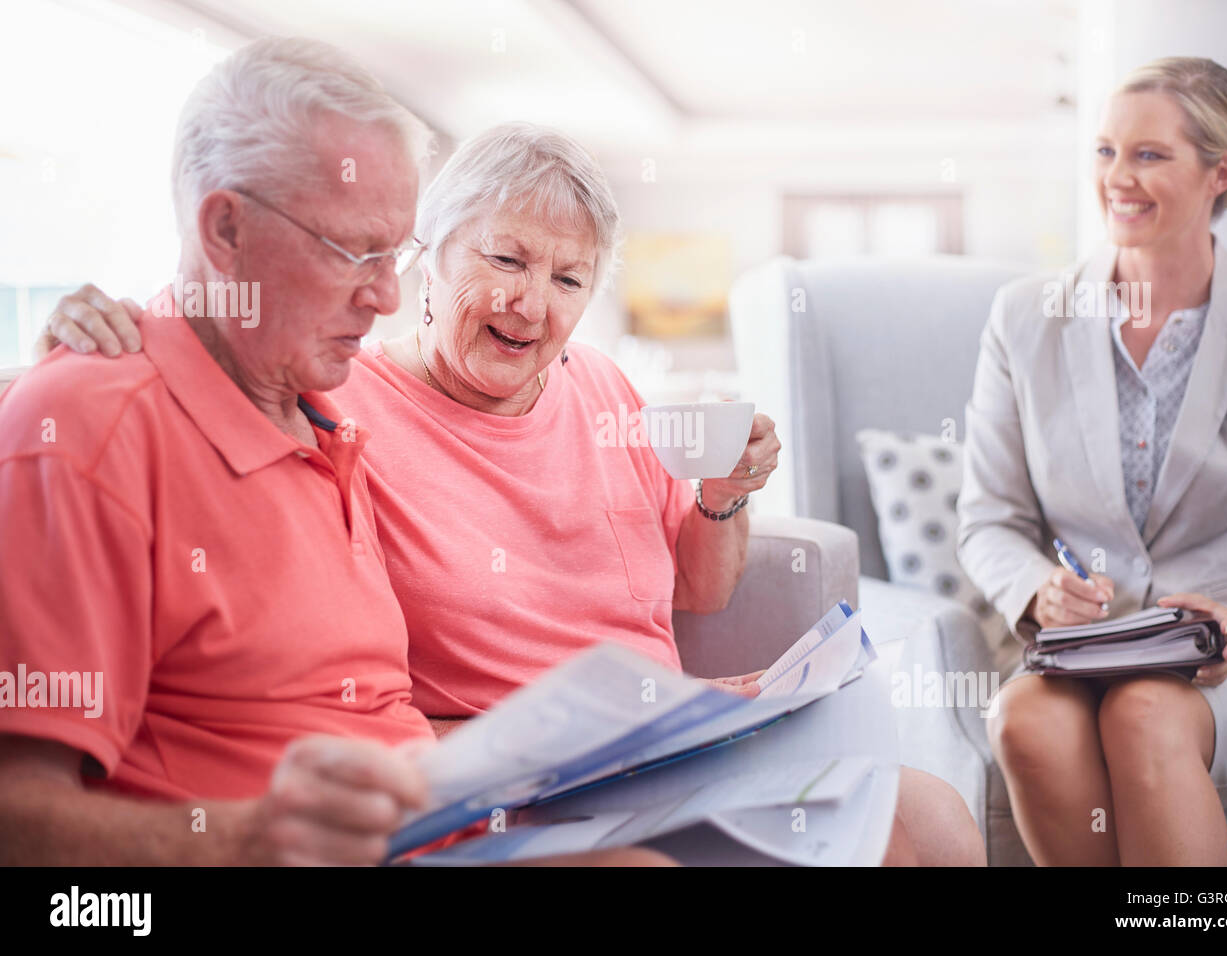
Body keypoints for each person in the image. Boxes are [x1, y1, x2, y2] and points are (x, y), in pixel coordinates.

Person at [43, 103, 986, 867]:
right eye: (506, 260)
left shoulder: (605, 387)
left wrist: (724, 492)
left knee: (936, 820)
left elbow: (700, 591)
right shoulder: (340, 391)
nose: (532, 304)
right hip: (513, 774)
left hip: (669, 738)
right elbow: (212, 343)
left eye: (569, 279)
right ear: (431, 254)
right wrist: (80, 329)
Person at [0, 35, 667, 868]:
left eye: (394, 255)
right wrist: (246, 837)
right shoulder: (92, 426)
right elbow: (17, 817)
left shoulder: (324, 411)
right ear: (226, 228)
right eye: (355, 252)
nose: (388, 294)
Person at [956, 57, 1227, 865]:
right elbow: (989, 520)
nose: (1118, 177)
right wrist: (1037, 589)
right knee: (1024, 720)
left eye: (1149, 155)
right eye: (1106, 151)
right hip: (1086, 649)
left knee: (1143, 711)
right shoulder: (1024, 317)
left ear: (1223, 172)